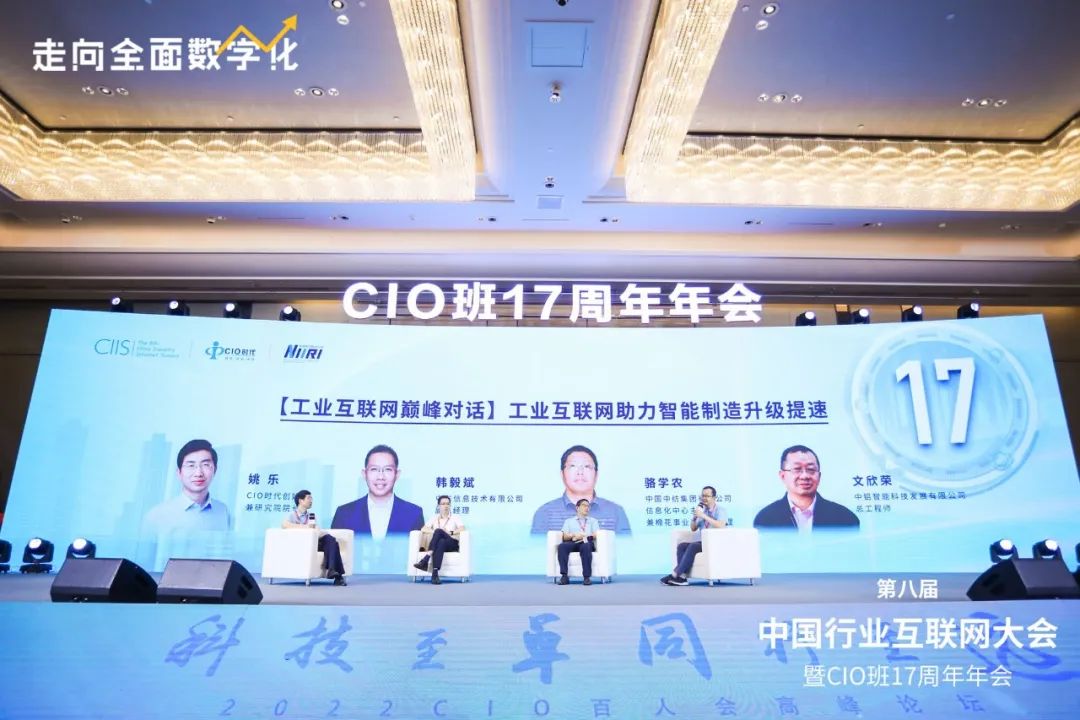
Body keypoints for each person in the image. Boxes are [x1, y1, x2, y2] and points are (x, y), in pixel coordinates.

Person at [753, 444, 860, 530]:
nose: (805, 476)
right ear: (782, 476)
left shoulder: (845, 518)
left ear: (819, 476)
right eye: (797, 469)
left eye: (811, 469)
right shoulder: (765, 519)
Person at [531, 445, 631, 534]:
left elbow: (626, 547)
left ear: (596, 475)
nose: (580, 472)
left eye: (587, 466)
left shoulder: (616, 512)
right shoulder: (544, 513)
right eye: (573, 466)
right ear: (562, 474)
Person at [331, 444, 424, 537]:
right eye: (374, 469)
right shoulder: (344, 514)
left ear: (397, 474)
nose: (380, 476)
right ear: (364, 474)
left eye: (388, 469)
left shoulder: (413, 514)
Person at [143, 439, 232, 533]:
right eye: (191, 465)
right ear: (179, 472)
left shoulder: (223, 511)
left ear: (215, 470)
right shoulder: (156, 516)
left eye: (206, 464)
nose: (198, 473)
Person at [660, 485, 728, 586]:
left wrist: (704, 516)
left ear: (714, 498)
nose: (704, 498)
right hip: (704, 542)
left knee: (693, 546)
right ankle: (682, 577)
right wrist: (695, 517)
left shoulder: (720, 510)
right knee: (682, 546)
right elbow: (693, 528)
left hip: (715, 543)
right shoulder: (702, 510)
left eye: (707, 496)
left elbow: (721, 525)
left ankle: (675, 574)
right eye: (702, 496)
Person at [282, 490, 347, 586]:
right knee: (333, 543)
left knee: (330, 540)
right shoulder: (292, 514)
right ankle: (337, 576)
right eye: (308, 498)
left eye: (311, 498)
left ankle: (332, 570)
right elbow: (284, 525)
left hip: (313, 543)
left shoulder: (311, 516)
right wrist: (305, 527)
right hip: (301, 544)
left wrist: (317, 530)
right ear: (300, 501)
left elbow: (316, 529)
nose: (311, 501)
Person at [413, 495, 464, 585]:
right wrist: (435, 532)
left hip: (452, 543)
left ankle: (426, 558)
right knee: (441, 541)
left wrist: (450, 532)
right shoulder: (434, 517)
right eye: (443, 504)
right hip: (442, 544)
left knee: (439, 532)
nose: (446, 506)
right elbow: (423, 528)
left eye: (448, 504)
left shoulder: (455, 517)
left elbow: (462, 528)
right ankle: (435, 574)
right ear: (438, 506)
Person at [556, 499, 600, 585]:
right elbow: (564, 536)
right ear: (577, 508)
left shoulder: (593, 521)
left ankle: (586, 577)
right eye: (584, 505)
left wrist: (585, 536)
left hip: (587, 542)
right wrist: (574, 535)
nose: (587, 508)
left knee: (586, 546)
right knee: (562, 546)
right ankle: (564, 576)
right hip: (574, 541)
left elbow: (596, 534)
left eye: (588, 506)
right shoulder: (568, 521)